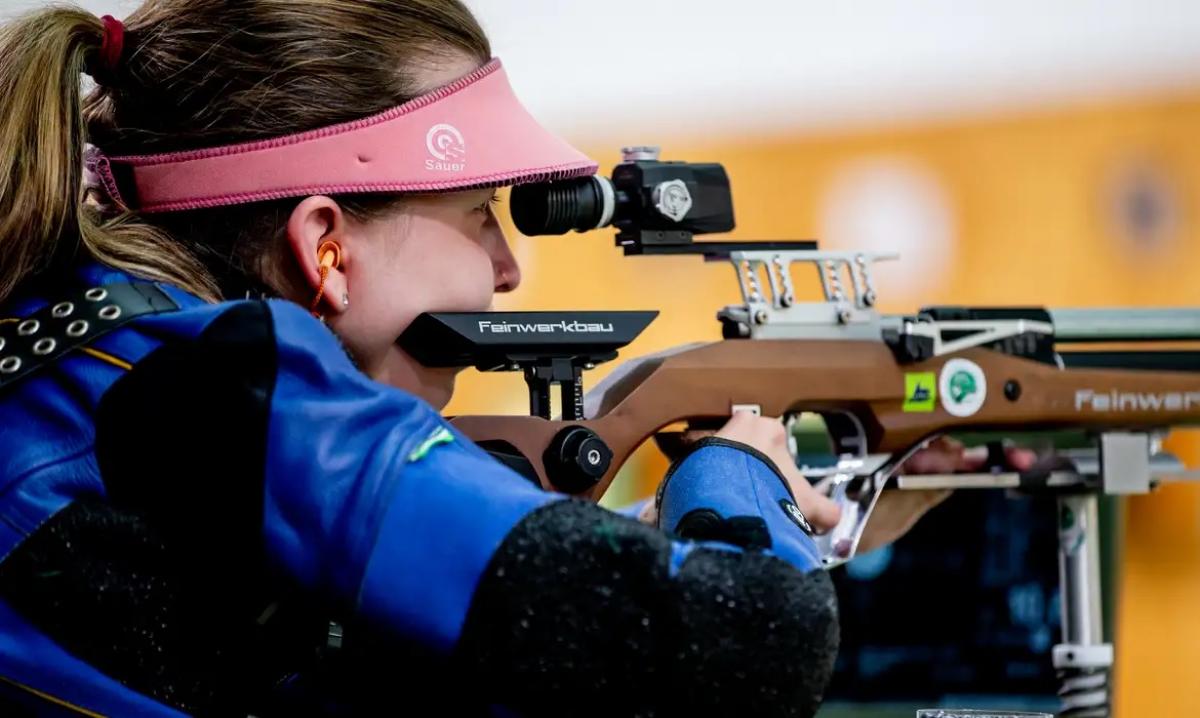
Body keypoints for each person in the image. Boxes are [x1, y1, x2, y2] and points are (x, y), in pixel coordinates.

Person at [0, 2, 1032, 717]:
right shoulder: (244, 394)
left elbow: (384, 664)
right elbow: (748, 651)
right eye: (479, 215)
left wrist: (834, 516)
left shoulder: (100, 364)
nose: (508, 268)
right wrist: (734, 477)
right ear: (327, 245)